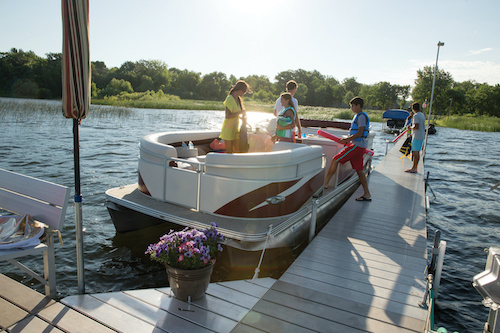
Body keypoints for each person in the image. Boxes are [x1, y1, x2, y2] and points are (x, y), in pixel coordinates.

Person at [324, 96, 372, 201]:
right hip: (360, 147)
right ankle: (367, 194)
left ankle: (325, 184)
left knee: (335, 159)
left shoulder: (361, 117)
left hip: (357, 147)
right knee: (359, 171)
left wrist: (346, 140)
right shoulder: (360, 116)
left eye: (352, 106)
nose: (351, 108)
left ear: (358, 106)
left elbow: (359, 133)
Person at [220, 80, 252, 153]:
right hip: (228, 129)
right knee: (229, 151)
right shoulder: (230, 98)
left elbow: (235, 114)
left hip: (235, 128)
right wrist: (241, 112)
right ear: (240, 89)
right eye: (244, 91)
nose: (244, 93)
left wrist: (243, 119)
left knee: (238, 150)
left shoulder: (238, 99)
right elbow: (228, 116)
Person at [405, 102, 426, 173]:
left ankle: (414, 168)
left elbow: (416, 126)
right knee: (417, 151)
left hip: (417, 136)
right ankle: (415, 167)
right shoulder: (422, 115)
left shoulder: (416, 116)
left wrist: (410, 128)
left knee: (415, 152)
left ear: (413, 108)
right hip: (421, 135)